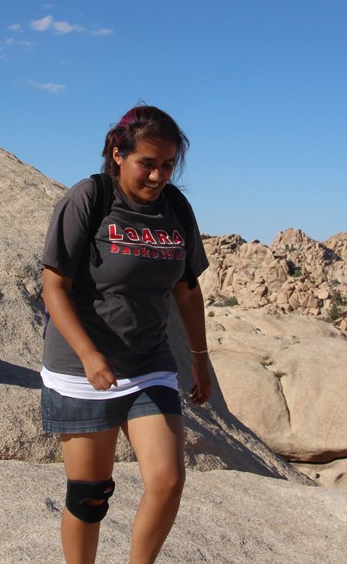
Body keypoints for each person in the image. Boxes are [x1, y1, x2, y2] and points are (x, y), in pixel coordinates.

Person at [41, 104, 212, 563]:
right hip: (81, 367)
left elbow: (187, 290)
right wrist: (90, 354)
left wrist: (200, 356)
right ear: (118, 154)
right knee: (90, 495)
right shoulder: (88, 198)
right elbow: (54, 286)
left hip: (148, 363)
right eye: (148, 164)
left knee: (168, 480)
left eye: (168, 165)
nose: (158, 176)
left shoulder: (176, 208)